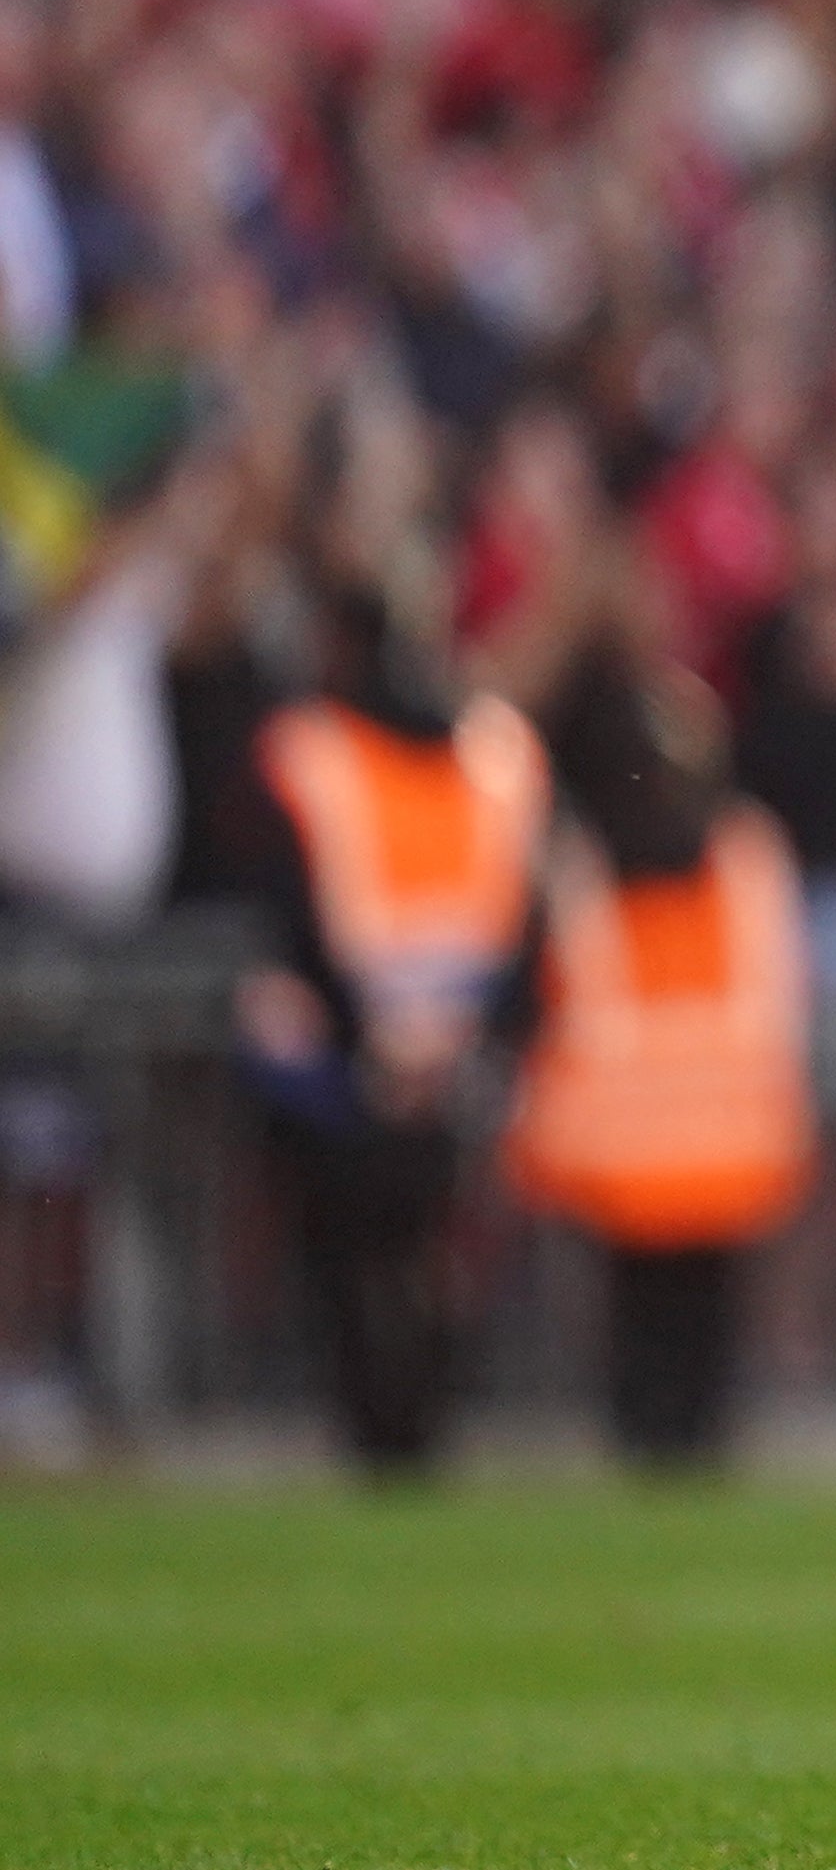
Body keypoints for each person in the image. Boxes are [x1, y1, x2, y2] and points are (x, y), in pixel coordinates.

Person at [240, 568, 549, 1477]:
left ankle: (389, 1426)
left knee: (372, 1258)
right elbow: (521, 926)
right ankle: (409, 1424)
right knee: (419, 1260)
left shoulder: (317, 754)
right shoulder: (493, 762)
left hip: (372, 1061)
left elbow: (292, 917)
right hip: (426, 1061)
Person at [503, 654, 811, 1473]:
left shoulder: (591, 865)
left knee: (658, 1314)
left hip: (645, 1144)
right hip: (706, 1139)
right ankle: (677, 1432)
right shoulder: (735, 853)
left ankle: (661, 1431)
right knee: (680, 1314)